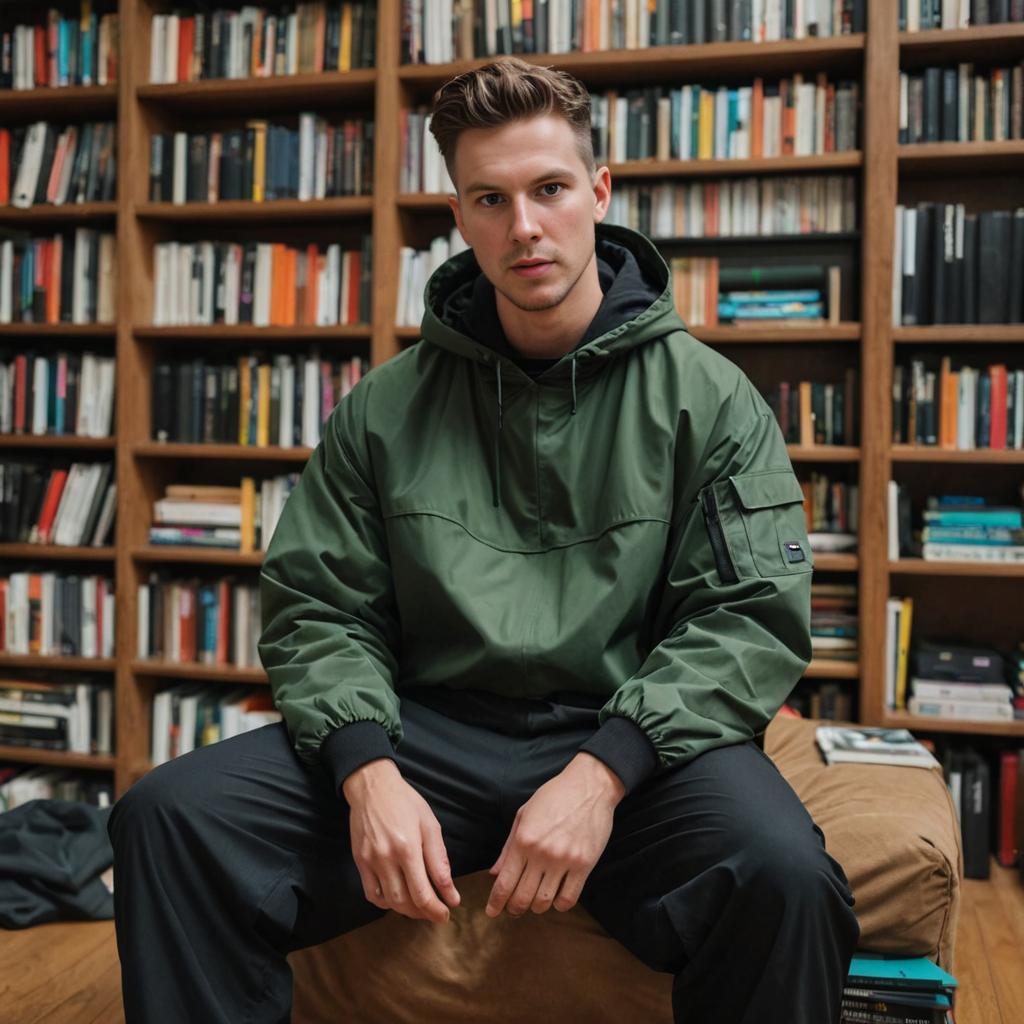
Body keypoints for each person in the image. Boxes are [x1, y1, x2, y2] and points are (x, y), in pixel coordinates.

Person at [107, 57, 860, 1024]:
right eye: (490, 199)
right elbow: (317, 606)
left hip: (635, 742)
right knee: (167, 818)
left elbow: (748, 619)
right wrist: (365, 769)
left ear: (599, 192)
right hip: (427, 731)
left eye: (549, 189)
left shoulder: (712, 400)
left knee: (786, 872)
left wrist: (601, 774)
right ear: (458, 218)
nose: (525, 226)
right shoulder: (383, 407)